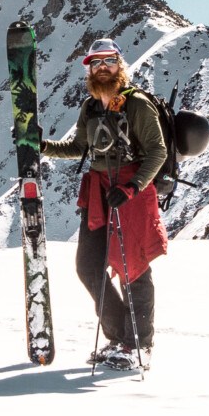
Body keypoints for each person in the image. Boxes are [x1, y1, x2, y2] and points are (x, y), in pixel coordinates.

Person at [41, 38, 168, 370]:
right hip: (99, 191)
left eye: (108, 61)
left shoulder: (137, 104)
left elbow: (157, 152)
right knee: (88, 266)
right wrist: (41, 146)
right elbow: (78, 147)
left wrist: (131, 188)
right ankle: (119, 336)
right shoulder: (90, 107)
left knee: (134, 268)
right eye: (95, 64)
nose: (101, 69)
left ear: (119, 65)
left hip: (131, 192)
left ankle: (140, 344)